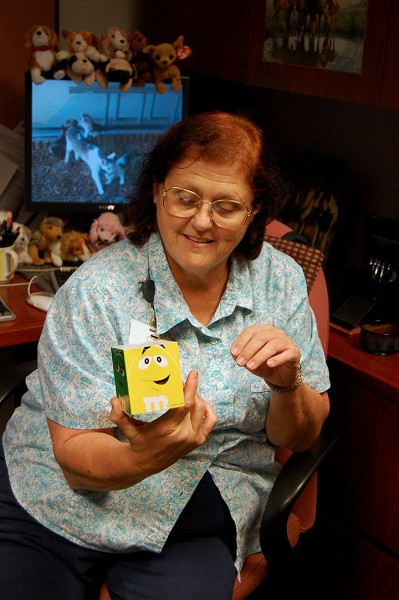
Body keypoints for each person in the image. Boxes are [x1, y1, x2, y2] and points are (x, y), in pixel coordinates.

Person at [0, 111, 330, 600]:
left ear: (254, 209)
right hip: (63, 498)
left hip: (201, 509)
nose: (202, 220)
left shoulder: (279, 283)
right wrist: (144, 456)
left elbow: (300, 435)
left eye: (226, 205)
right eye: (186, 197)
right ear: (157, 190)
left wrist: (287, 385)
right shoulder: (99, 288)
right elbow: (73, 460)